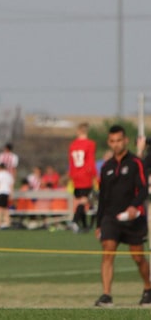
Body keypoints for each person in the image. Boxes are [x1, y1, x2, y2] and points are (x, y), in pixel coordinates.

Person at [94, 125, 151, 307]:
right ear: (109, 143)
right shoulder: (106, 167)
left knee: (138, 257)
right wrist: (99, 224)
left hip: (133, 218)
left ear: (125, 140)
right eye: (112, 141)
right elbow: (102, 197)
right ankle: (106, 295)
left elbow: (143, 189)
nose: (116, 144)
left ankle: (148, 289)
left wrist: (134, 207)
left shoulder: (136, 163)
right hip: (111, 217)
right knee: (107, 251)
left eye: (119, 140)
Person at [68, 122, 97, 232]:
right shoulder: (90, 144)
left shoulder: (73, 145)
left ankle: (84, 226)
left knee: (80, 200)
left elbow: (71, 162)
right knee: (84, 200)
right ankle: (75, 221)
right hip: (85, 175)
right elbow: (90, 161)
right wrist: (95, 175)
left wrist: (71, 175)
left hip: (75, 175)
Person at [0, 163, 14, 229]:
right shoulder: (9, 175)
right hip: (7, 193)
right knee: (5, 209)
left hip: (0, 192)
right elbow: (11, 185)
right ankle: (7, 223)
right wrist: (11, 194)